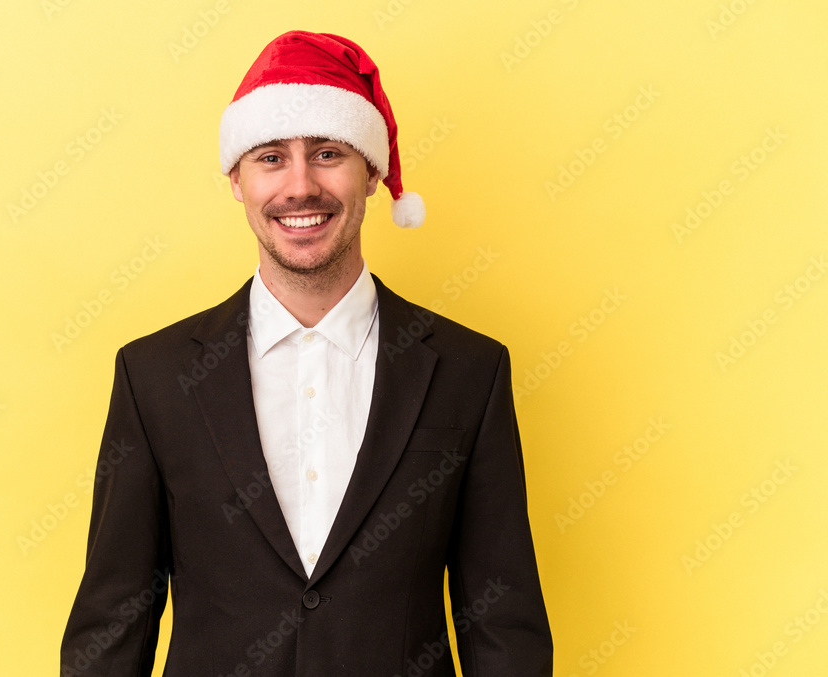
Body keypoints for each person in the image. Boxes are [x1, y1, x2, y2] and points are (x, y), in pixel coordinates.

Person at [61, 30, 553, 677]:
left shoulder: (470, 370)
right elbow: (113, 624)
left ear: (372, 171)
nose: (300, 187)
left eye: (327, 153)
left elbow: (503, 627)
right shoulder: (155, 376)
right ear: (236, 178)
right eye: (270, 157)